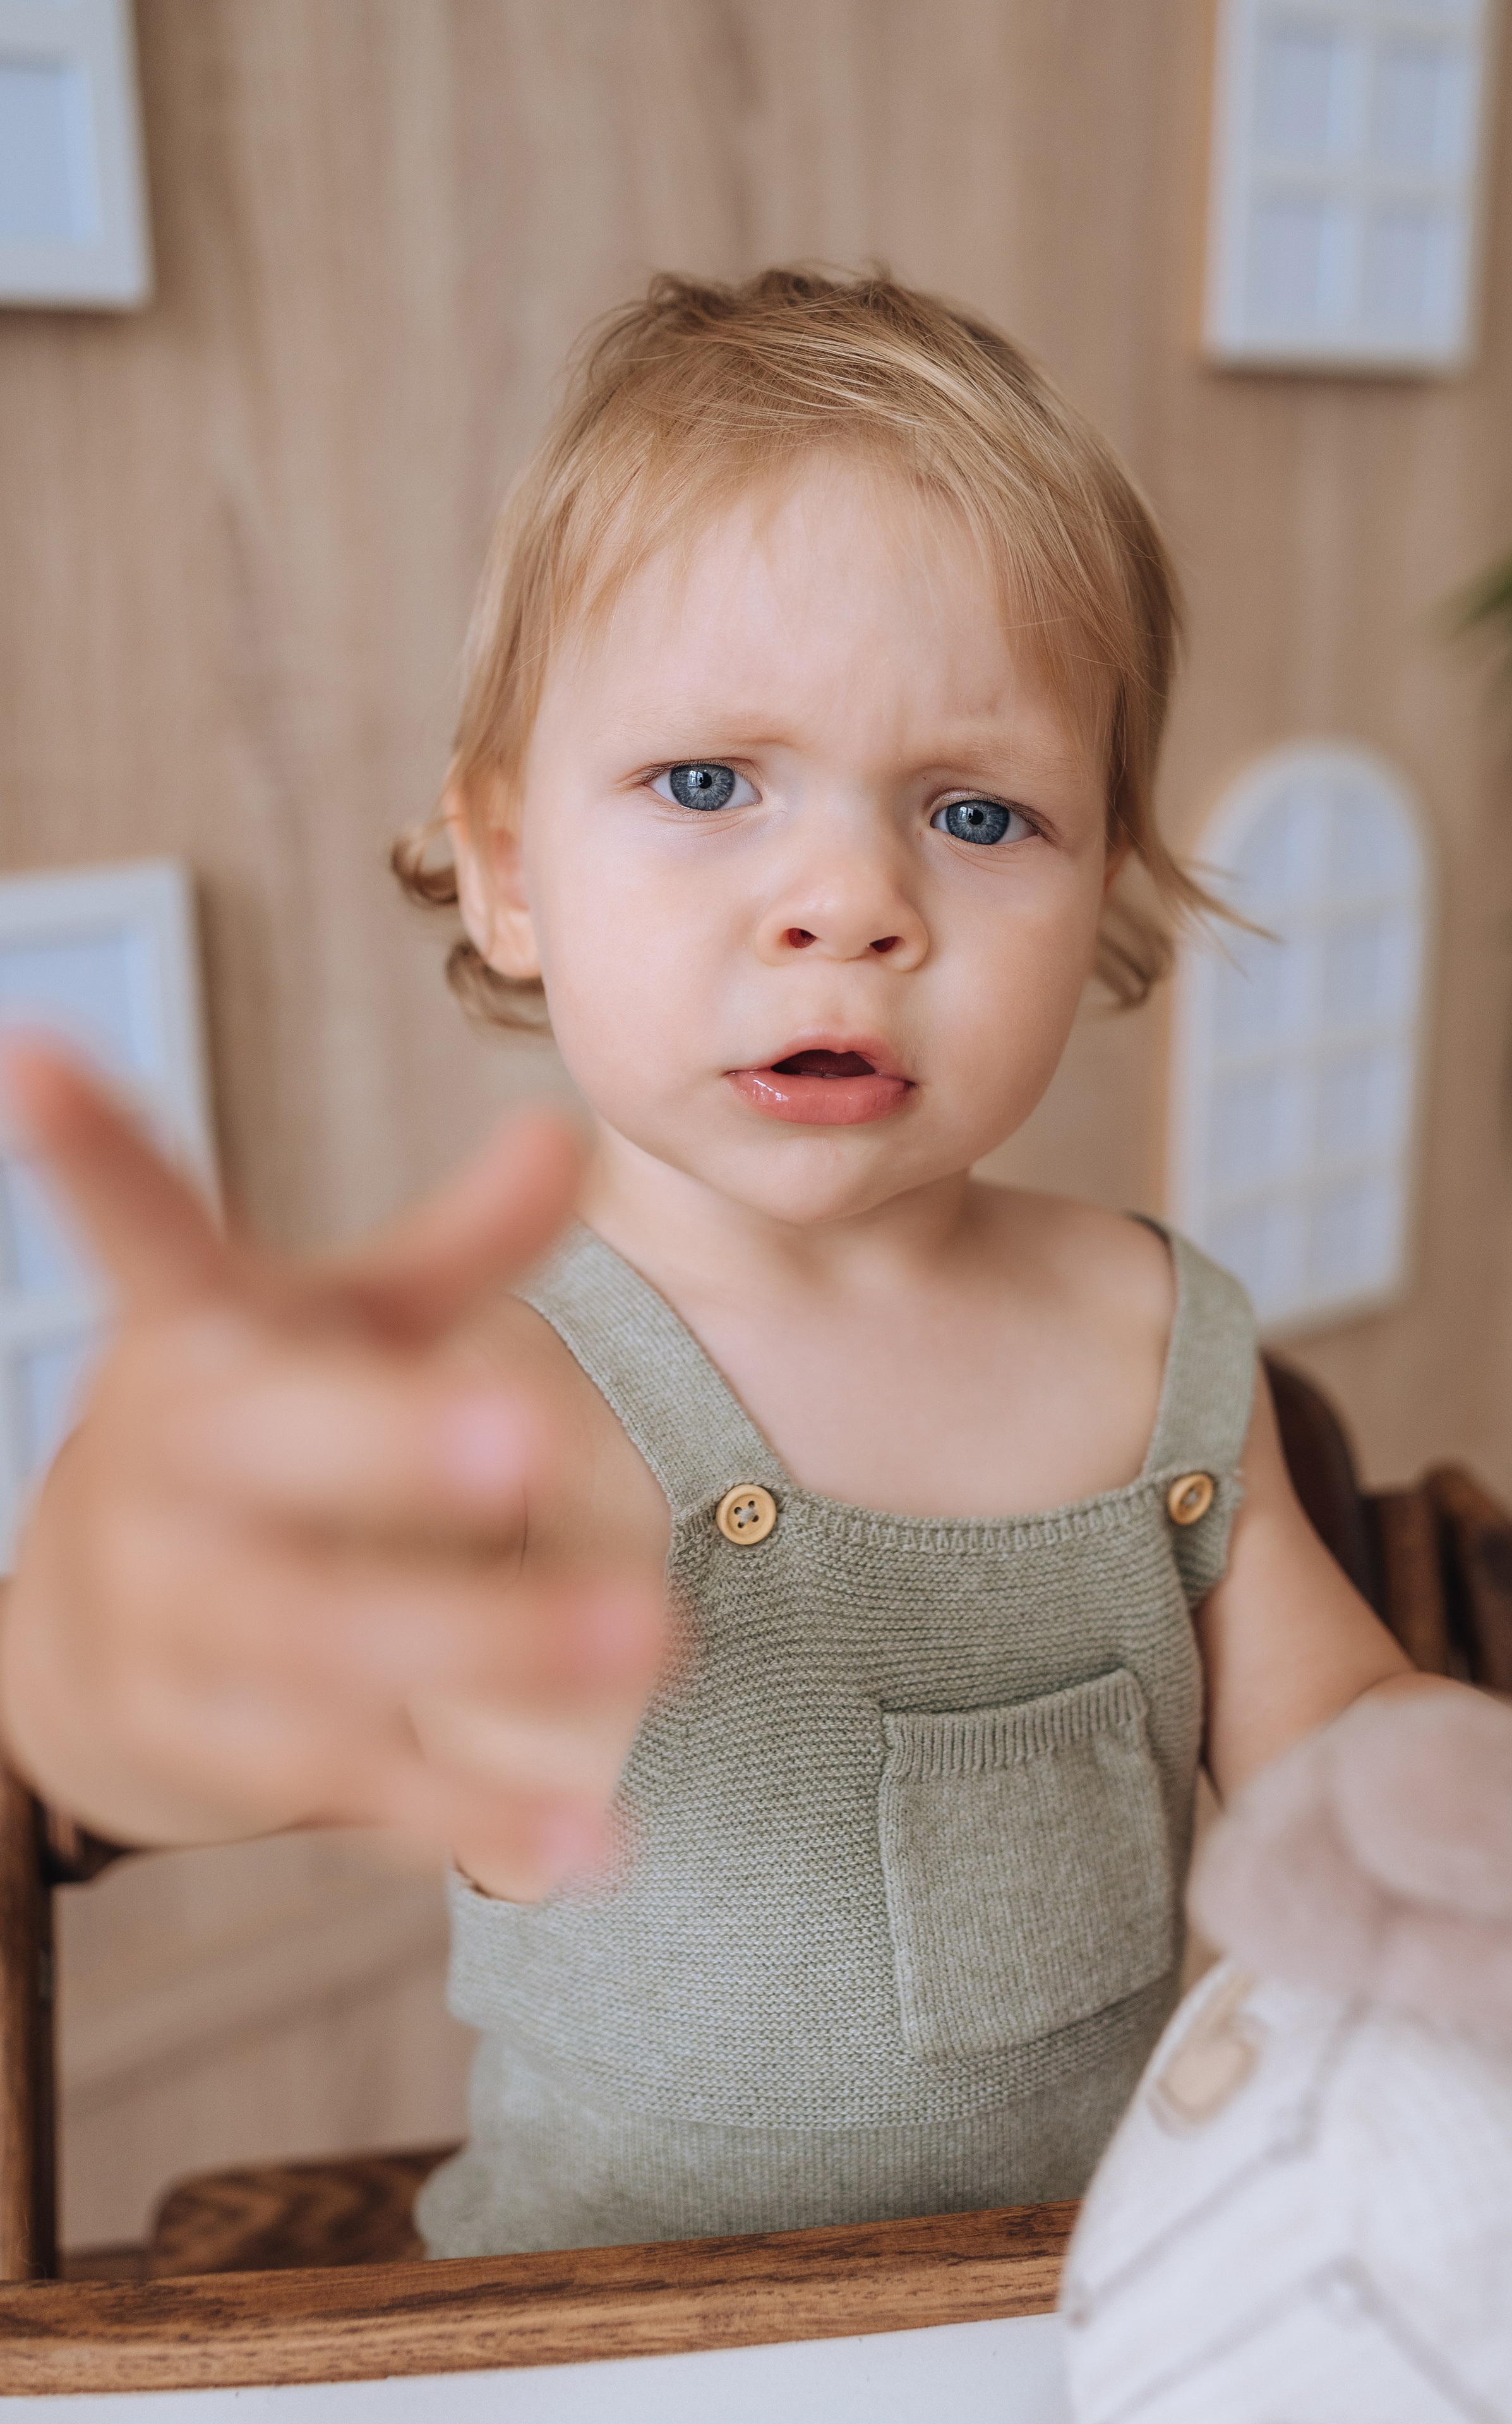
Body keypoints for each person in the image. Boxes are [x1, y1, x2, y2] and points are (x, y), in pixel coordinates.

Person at [0, 269, 1424, 2257]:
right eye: (706, 785)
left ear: (1105, 886)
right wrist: (146, 1548)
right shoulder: (516, 1400)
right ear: (505, 871)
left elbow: (1352, 1762)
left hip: (1088, 2317)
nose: (849, 902)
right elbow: (117, 1729)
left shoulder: (1153, 1334)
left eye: (979, 810)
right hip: (613, 2353)